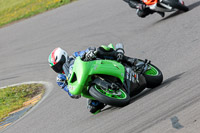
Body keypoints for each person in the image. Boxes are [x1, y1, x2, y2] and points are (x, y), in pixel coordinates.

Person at [48, 43, 137, 114]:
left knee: (101, 50)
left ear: (64, 57)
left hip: (96, 67)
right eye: (56, 67)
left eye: (59, 64)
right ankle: (111, 93)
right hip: (87, 86)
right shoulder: (60, 79)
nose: (59, 68)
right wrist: (73, 92)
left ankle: (127, 59)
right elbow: (70, 92)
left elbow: (86, 51)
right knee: (93, 108)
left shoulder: (75, 57)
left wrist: (89, 52)